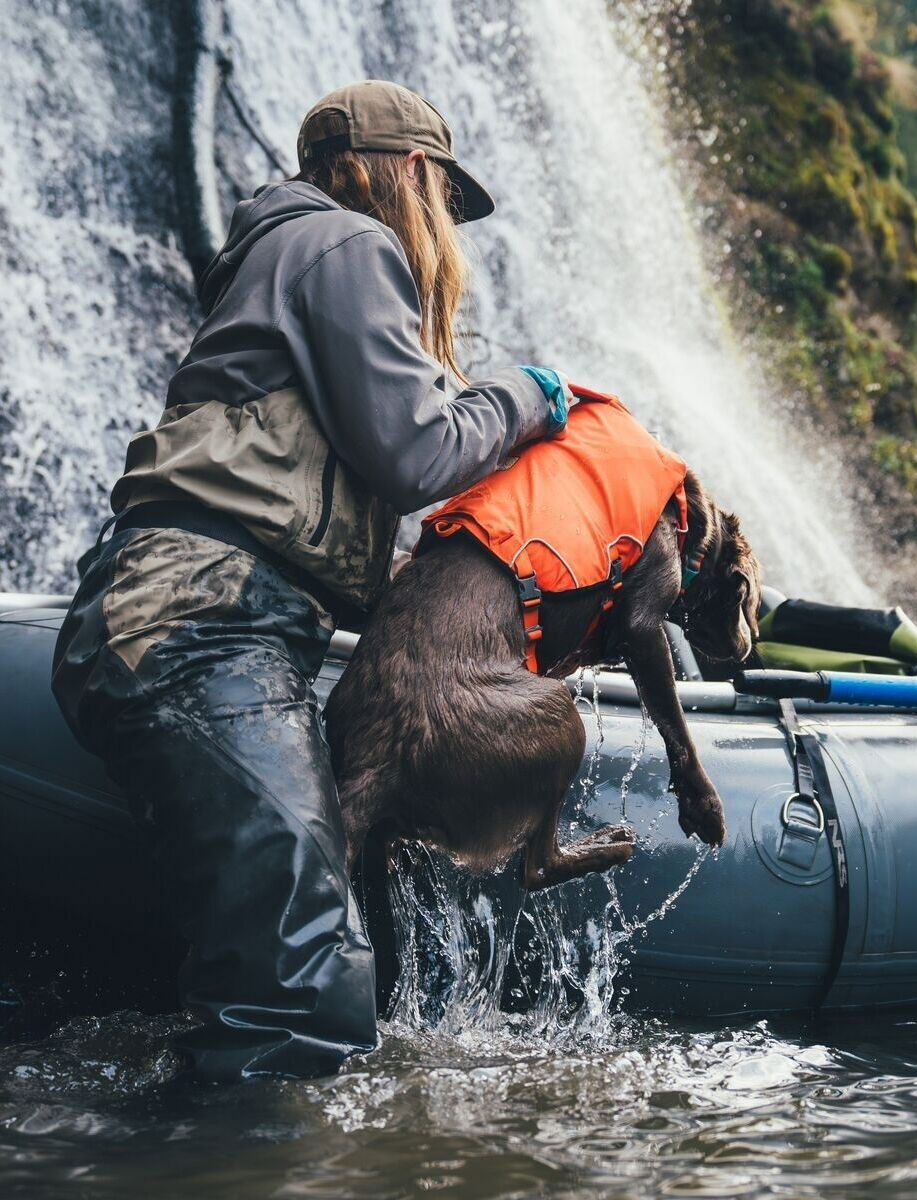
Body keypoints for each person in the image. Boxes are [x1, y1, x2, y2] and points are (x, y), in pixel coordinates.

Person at [51, 80, 575, 1082]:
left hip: (183, 616)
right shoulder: (348, 245)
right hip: (200, 623)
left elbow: (311, 488)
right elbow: (420, 451)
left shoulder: (279, 253)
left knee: (289, 973)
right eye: (443, 200)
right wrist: (525, 394)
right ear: (411, 174)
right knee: (301, 990)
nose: (443, 232)